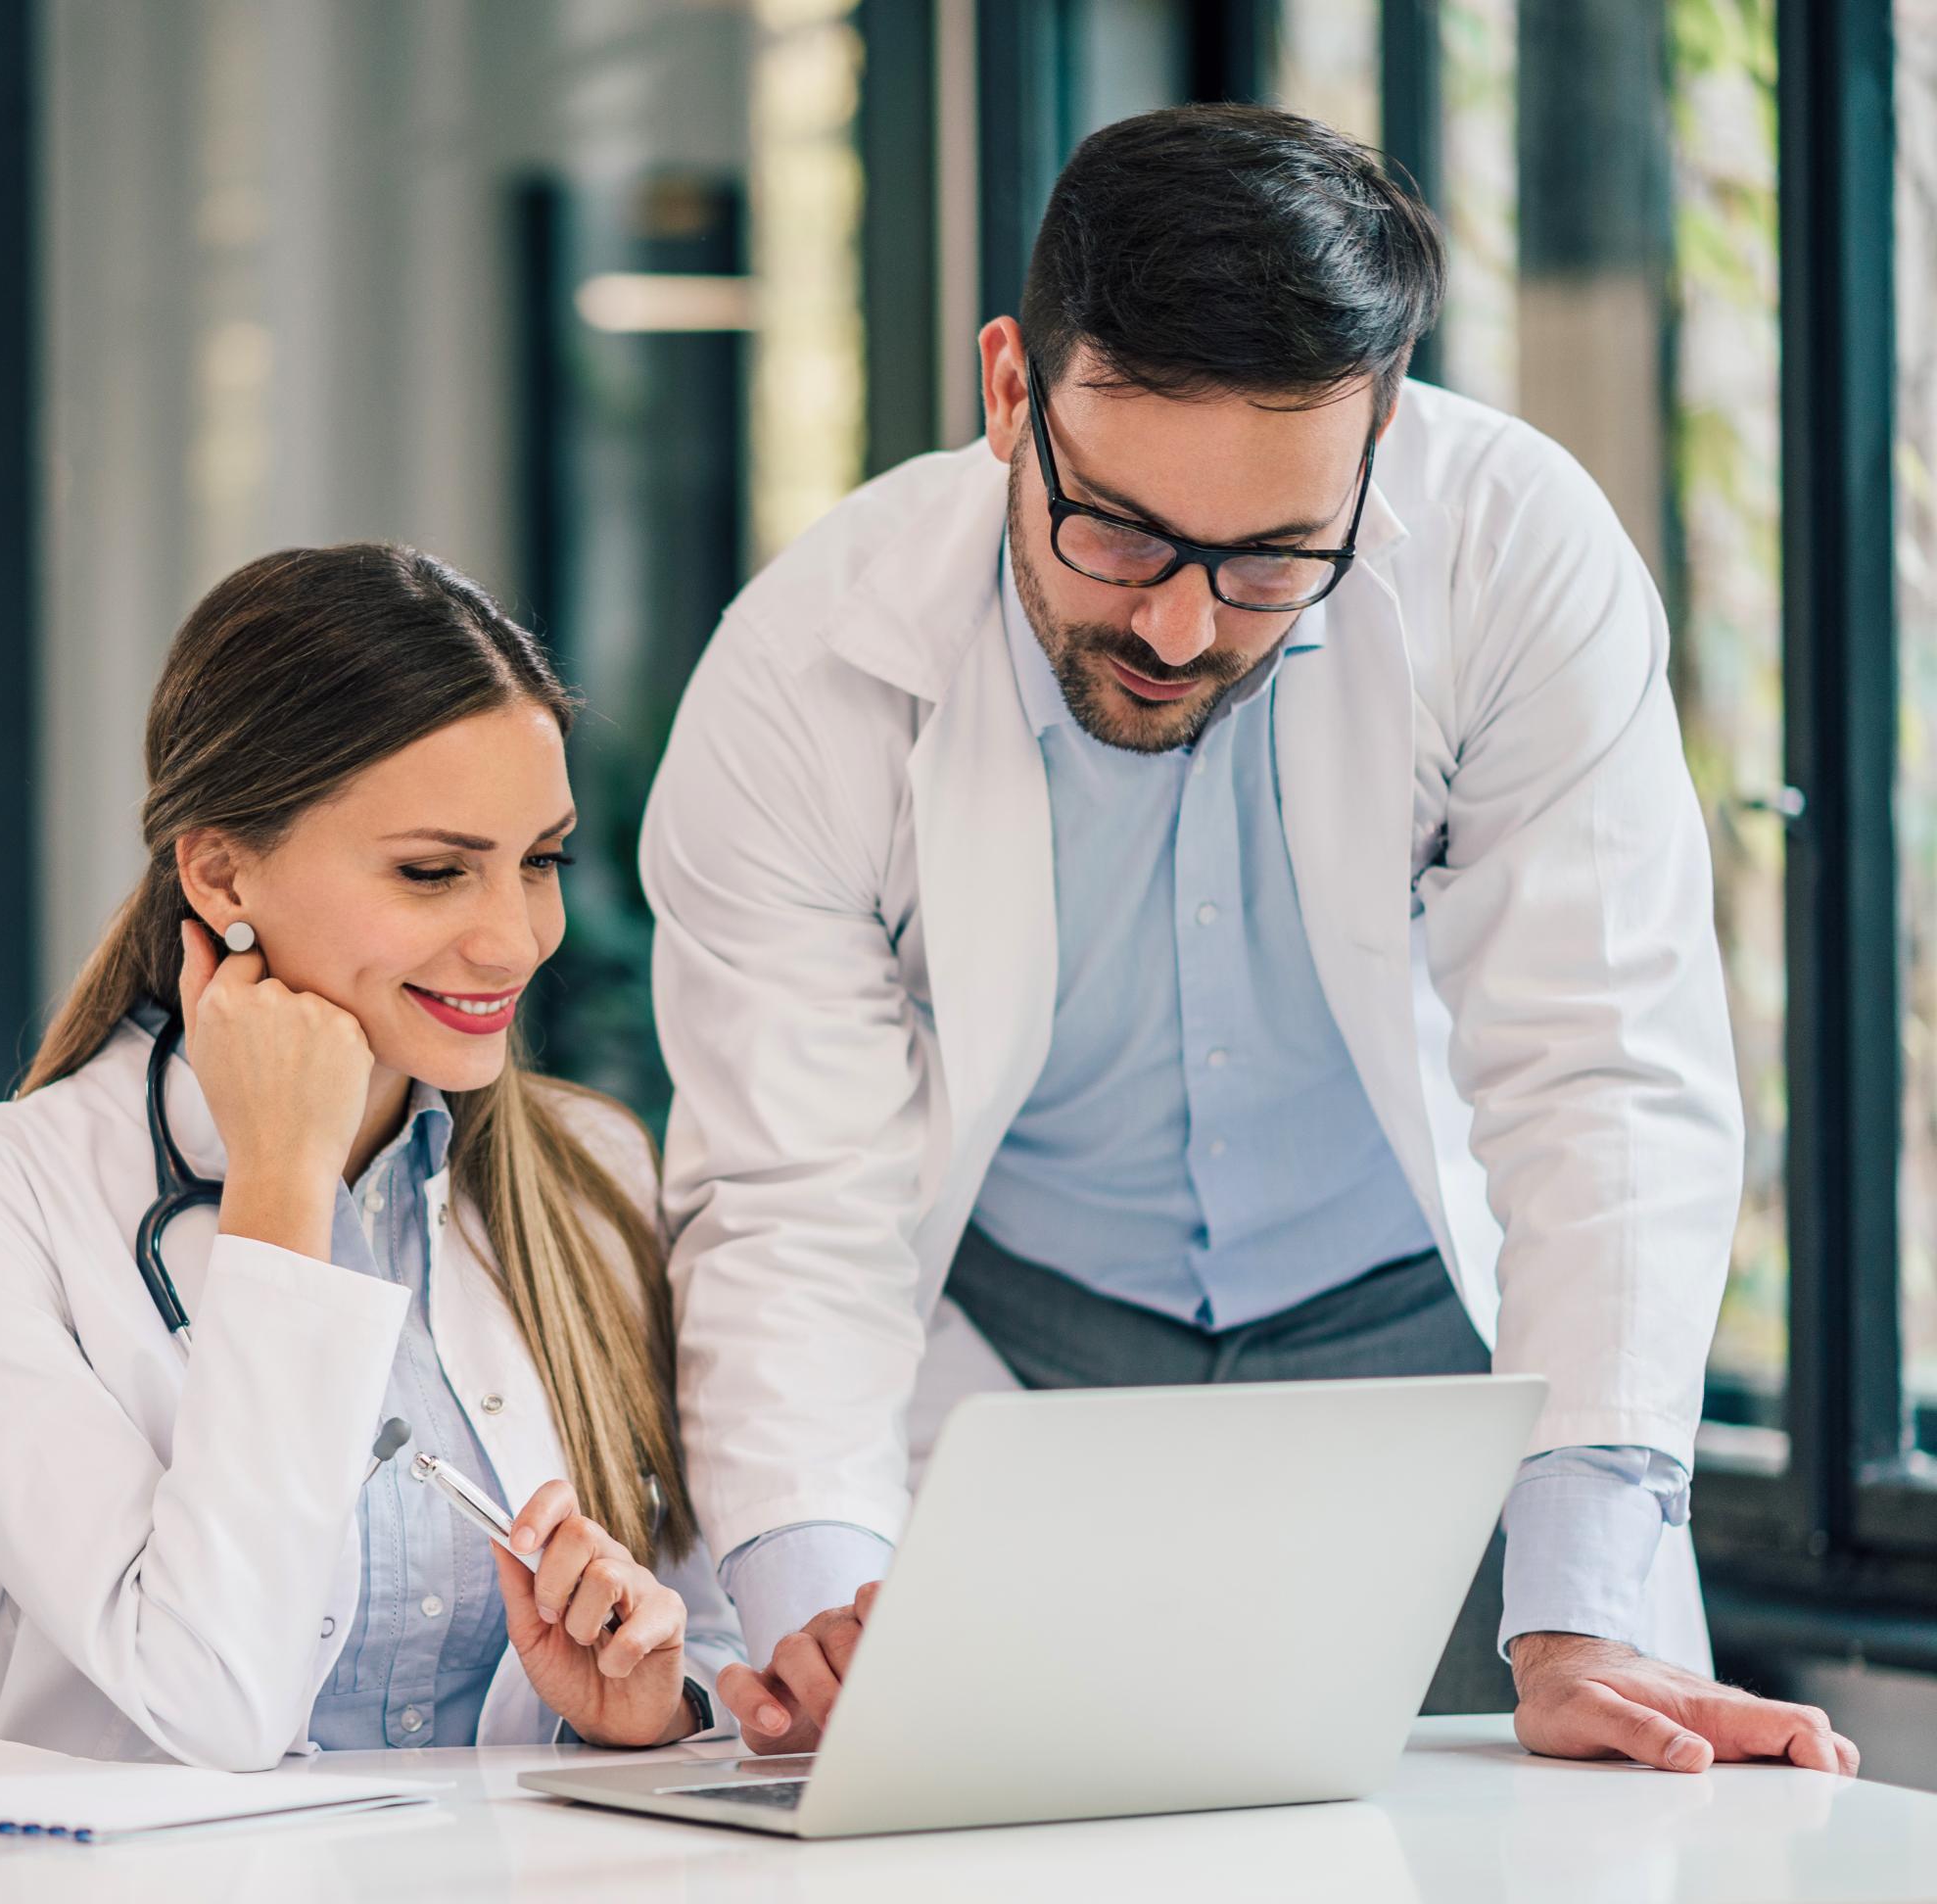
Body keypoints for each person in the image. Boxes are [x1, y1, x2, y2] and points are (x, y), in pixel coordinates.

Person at [642, 105, 1858, 1778]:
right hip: (1024, 1355)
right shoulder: (802, 670)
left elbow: (1604, 1078)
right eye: (1122, 529)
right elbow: (792, 1191)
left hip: (1421, 1355)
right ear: (1010, 393)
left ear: (1376, 446)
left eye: (1275, 557)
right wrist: (816, 1587)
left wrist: (1580, 1595)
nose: (1178, 620)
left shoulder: (1509, 559)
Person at [0, 544, 741, 1770]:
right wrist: (281, 1181)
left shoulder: (587, 1175)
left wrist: (655, 1700)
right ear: (220, 871)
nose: (513, 940)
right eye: (433, 872)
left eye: (539, 862)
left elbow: (722, 1635)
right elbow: (212, 1702)